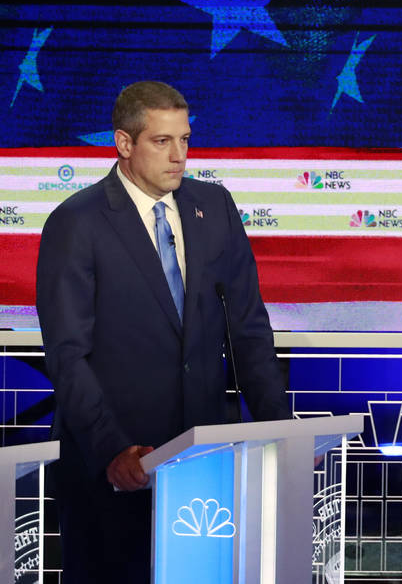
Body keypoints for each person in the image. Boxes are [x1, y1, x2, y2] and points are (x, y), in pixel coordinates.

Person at [36, 81, 291, 583]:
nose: (179, 157)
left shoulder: (214, 207)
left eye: (185, 140)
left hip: (205, 463)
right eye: (161, 141)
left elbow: (249, 330)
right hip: (115, 467)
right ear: (124, 144)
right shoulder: (77, 222)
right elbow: (67, 354)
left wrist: (278, 432)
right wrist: (112, 450)